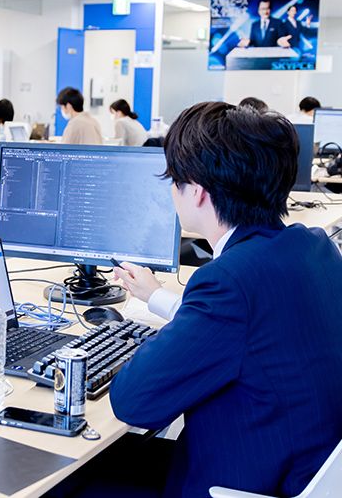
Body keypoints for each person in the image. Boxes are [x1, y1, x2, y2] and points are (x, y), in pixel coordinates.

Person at [80, 102, 342, 498]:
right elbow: (250, 332)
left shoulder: (228, 282)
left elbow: (132, 401)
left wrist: (122, 346)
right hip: (302, 468)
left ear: (198, 192)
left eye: (174, 180)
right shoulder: (314, 246)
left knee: (72, 480)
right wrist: (158, 298)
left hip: (237, 483)